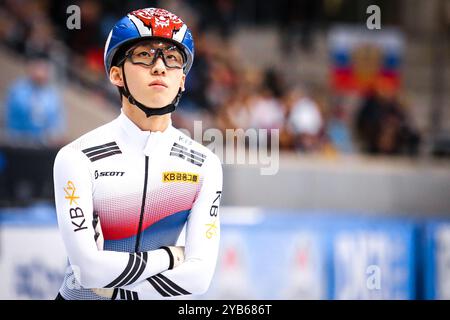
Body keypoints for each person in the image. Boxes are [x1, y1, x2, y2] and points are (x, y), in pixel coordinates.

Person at [53, 7, 223, 300]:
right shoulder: (77, 157)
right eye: (144, 55)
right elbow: (89, 271)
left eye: (172, 58)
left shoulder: (204, 164)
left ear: (182, 80)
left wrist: (117, 292)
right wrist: (169, 257)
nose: (159, 67)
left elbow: (200, 276)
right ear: (116, 74)